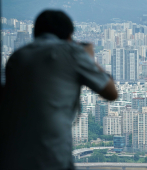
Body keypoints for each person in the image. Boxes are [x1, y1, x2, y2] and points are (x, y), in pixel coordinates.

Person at [0, 10, 118, 170]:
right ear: (69, 37)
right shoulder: (71, 52)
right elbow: (111, 93)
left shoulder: (17, 56)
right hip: (51, 153)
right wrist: (89, 58)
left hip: (10, 154)